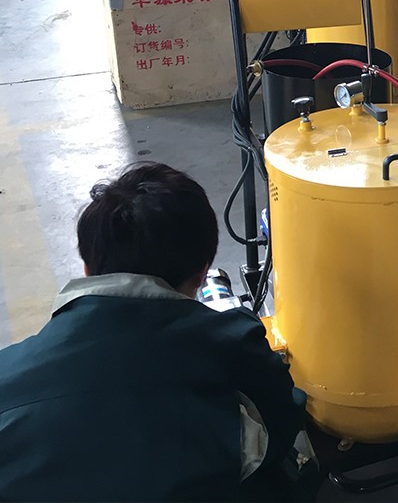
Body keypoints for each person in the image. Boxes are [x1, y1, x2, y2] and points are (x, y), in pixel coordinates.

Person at [0, 162, 304, 501]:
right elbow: (282, 421)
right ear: (202, 273)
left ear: (87, 268)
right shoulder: (235, 345)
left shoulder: (6, 377)